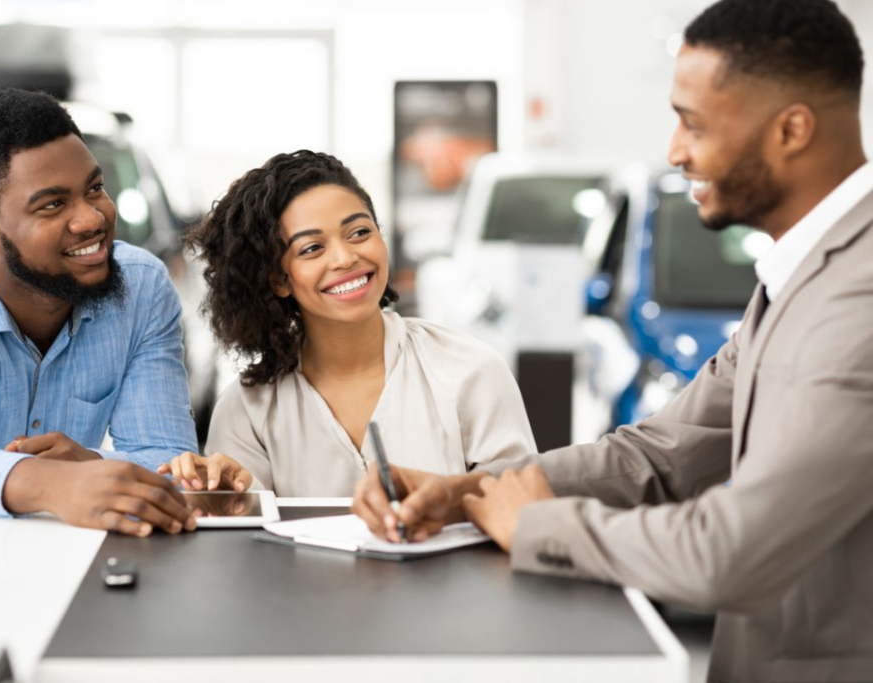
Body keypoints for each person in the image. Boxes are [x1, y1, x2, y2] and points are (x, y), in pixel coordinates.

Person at [353, 0, 873, 679]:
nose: (675, 151)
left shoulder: (858, 296)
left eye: (693, 122)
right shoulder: (802, 273)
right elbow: (658, 455)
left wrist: (537, 525)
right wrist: (467, 493)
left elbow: (733, 550)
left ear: (793, 129)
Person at [0, 88, 251, 604]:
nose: (91, 219)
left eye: (95, 188)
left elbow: (160, 455)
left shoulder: (141, 288)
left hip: (52, 551)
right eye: (53, 204)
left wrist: (92, 469)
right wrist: (44, 483)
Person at [168, 151, 534, 500]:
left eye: (359, 232)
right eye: (312, 248)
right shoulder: (246, 409)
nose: (346, 258)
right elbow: (245, 548)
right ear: (278, 280)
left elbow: (519, 505)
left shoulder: (470, 371)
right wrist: (227, 496)